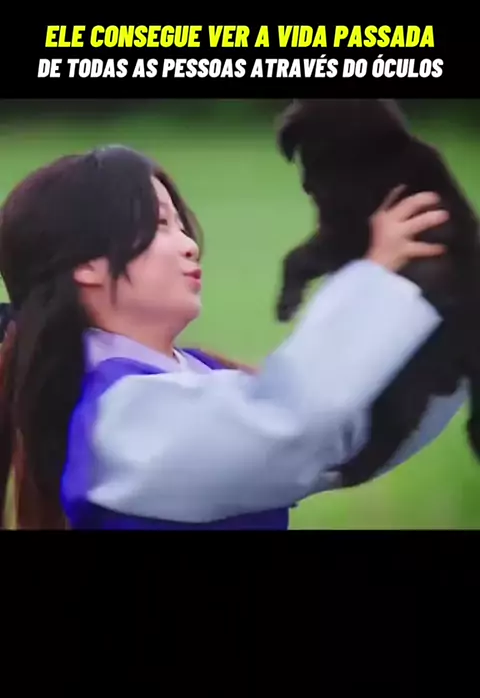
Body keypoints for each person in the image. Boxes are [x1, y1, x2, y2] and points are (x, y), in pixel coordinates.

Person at [0, 145, 467, 530]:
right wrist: (377, 276)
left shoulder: (195, 379)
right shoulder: (117, 419)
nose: (189, 244)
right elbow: (292, 424)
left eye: (180, 225)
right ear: (86, 264)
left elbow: (356, 433)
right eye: (160, 225)